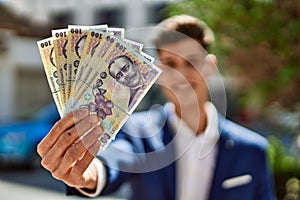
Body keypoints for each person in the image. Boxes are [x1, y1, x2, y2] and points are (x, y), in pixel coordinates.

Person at [37, 15, 275, 200]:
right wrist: (89, 174)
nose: (181, 75)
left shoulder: (252, 150)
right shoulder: (137, 133)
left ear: (210, 66)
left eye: (191, 62)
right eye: (171, 64)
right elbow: (115, 160)